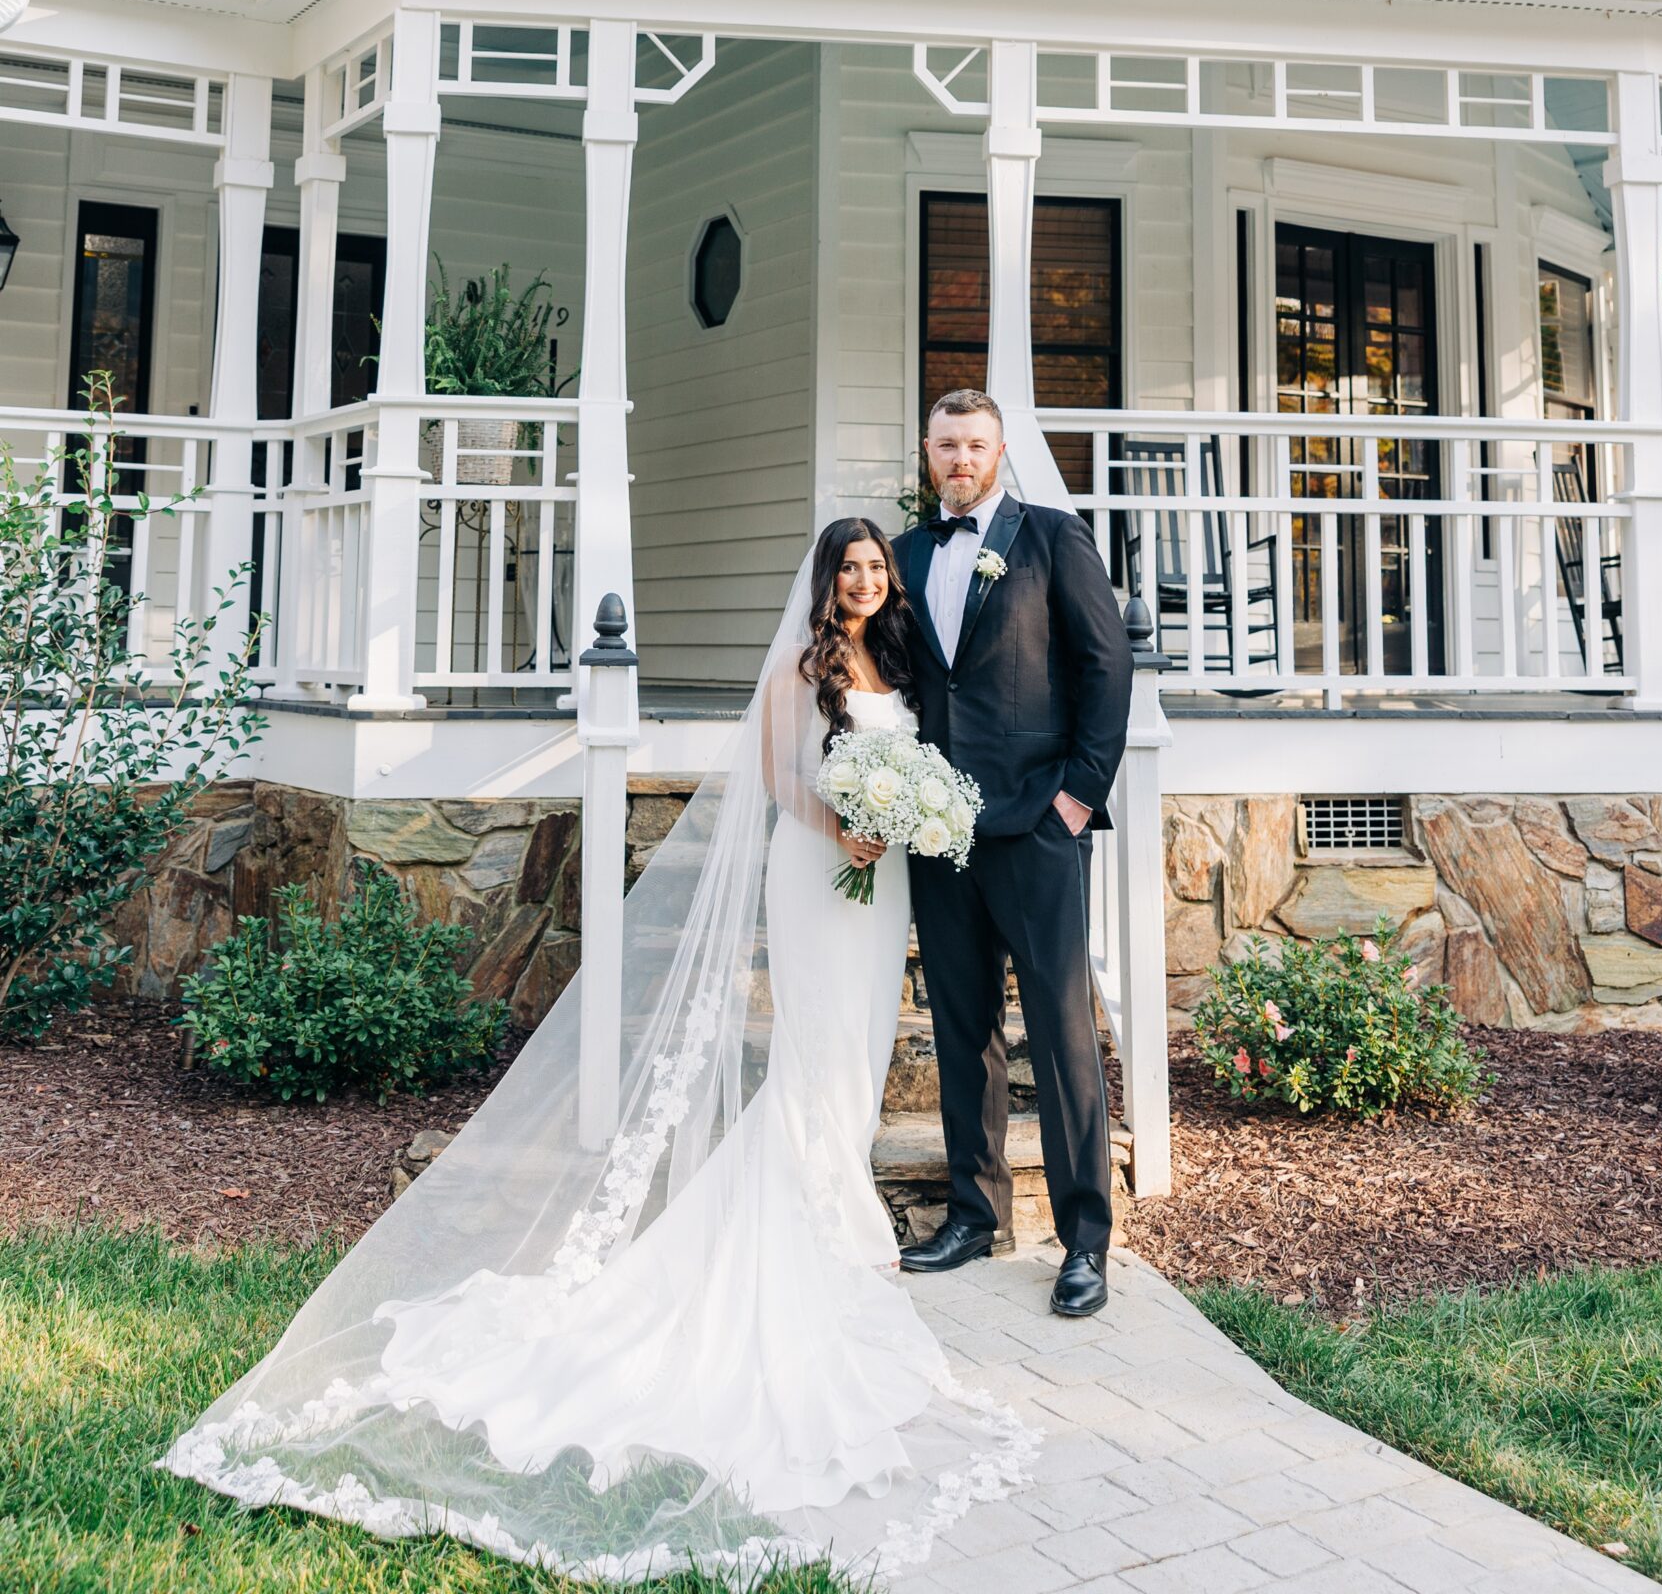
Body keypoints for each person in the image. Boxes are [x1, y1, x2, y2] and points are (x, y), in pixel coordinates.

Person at [162, 519, 1035, 1580]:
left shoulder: (894, 656)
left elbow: (908, 758)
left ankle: (831, 1194)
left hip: (879, 883)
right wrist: (840, 828)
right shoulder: (801, 669)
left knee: (853, 1053)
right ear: (824, 580)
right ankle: (814, 1220)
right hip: (818, 876)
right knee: (813, 1053)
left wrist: (895, 823)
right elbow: (776, 777)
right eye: (847, 567)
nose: (862, 579)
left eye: (872, 567)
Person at [892, 390, 1132, 1319]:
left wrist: (1078, 796)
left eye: (975, 444)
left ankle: (1084, 1243)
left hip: (1037, 821)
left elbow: (1106, 665)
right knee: (963, 1028)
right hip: (938, 831)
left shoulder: (1051, 538)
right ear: (927, 451)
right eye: (946, 444)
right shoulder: (908, 556)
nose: (960, 458)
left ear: (998, 452)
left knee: (1063, 1032)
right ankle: (971, 1211)